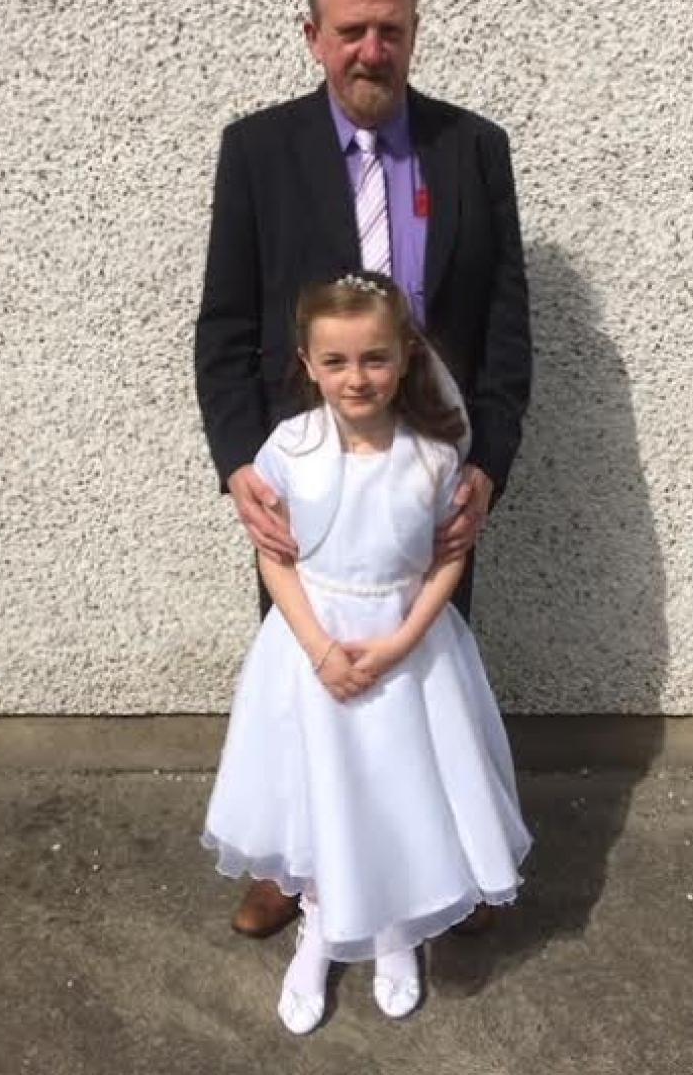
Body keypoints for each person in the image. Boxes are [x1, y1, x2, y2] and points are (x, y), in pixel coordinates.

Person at [195, 0, 532, 938]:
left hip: (434, 476)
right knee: (304, 674)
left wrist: (492, 469)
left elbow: (508, 326)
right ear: (313, 33)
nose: (370, 50)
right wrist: (236, 469)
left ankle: (428, 868)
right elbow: (225, 323)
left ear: (416, 31)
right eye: (351, 29)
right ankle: (290, 860)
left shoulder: (474, 150)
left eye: (389, 28)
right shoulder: (257, 151)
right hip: (305, 479)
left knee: (418, 677)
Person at [202, 274, 531, 1034]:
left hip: (406, 650)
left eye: (376, 359)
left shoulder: (434, 455)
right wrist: (319, 648)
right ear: (309, 363)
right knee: (320, 786)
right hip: (311, 648)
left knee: (394, 784)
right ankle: (319, 929)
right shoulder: (289, 446)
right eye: (338, 361)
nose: (358, 377)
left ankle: (393, 931)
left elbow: (452, 555)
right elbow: (274, 556)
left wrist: (401, 641)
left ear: (405, 357)